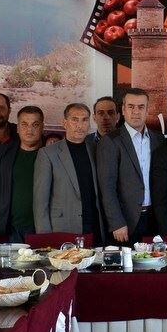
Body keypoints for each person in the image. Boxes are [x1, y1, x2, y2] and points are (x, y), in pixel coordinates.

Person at [97, 88, 165, 244]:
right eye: (131, 106)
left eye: (141, 107)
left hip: (155, 219)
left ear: (147, 110)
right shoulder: (110, 142)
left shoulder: (158, 139)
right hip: (126, 222)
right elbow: (107, 188)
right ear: (123, 110)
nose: (136, 112)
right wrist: (117, 223)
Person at [34, 103, 105, 245]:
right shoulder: (48, 154)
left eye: (84, 120)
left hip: (95, 225)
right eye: (75, 120)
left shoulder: (97, 149)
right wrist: (44, 238)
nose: (80, 125)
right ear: (65, 123)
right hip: (63, 227)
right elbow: (40, 203)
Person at [0, 106, 45, 242]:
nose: (29, 130)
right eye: (24, 124)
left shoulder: (52, 153)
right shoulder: (1, 153)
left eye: (35, 125)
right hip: (10, 229)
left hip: (43, 228)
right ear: (18, 128)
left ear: (42, 127)